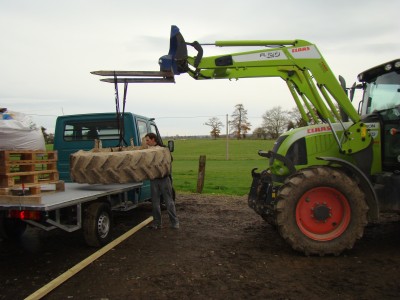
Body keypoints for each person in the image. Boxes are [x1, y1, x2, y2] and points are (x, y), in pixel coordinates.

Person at [144, 132, 179, 229]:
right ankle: (157, 224)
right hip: (153, 179)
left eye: (147, 140)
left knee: (169, 202)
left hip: (164, 179)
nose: (146, 142)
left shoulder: (163, 148)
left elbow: (170, 160)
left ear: (153, 140)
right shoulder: (147, 150)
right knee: (155, 203)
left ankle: (175, 223)